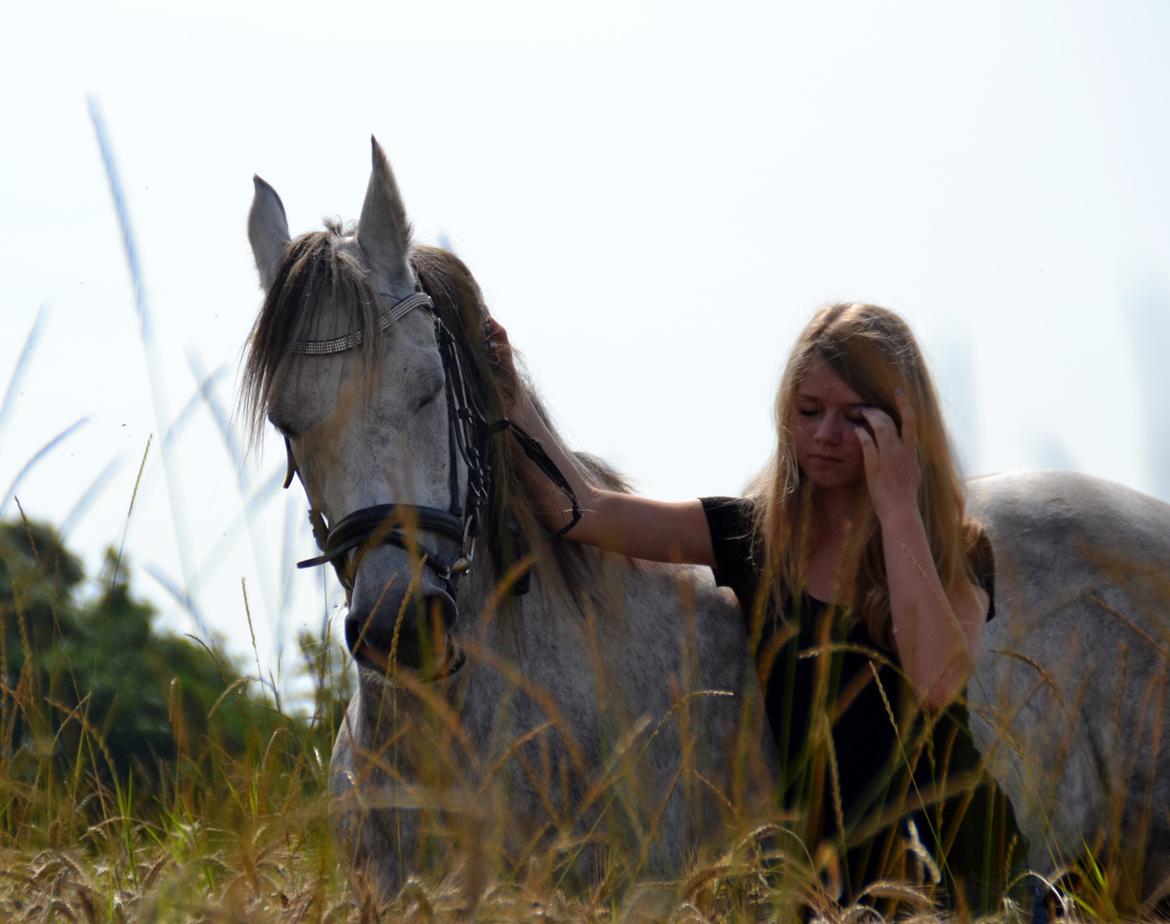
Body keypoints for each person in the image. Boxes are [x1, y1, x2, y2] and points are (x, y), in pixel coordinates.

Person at [488, 302, 1012, 906]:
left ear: (902, 424)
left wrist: (897, 507)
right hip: (825, 888)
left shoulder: (958, 550)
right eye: (808, 411)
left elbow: (937, 682)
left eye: (855, 418)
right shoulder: (755, 538)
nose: (824, 436)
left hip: (960, 876)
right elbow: (581, 511)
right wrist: (510, 386)